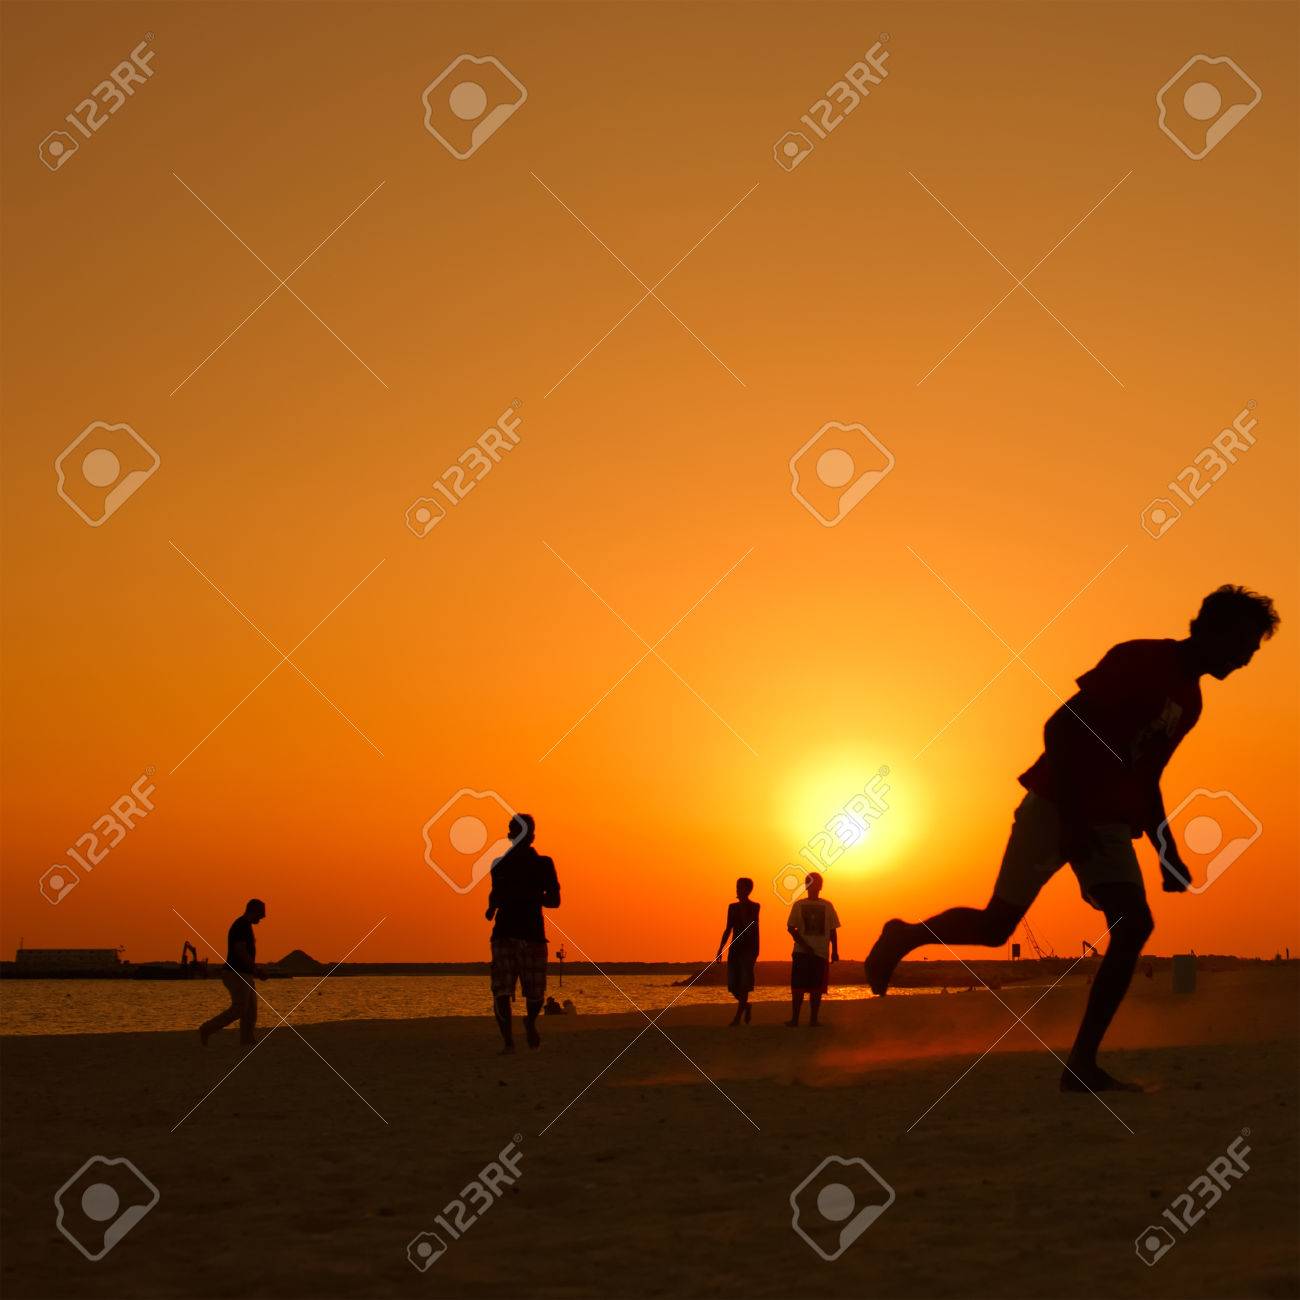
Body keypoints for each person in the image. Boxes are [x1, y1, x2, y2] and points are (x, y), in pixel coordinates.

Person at [866, 585, 1280, 1093]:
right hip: (1056, 803)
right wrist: (1076, 821)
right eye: (1243, 642)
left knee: (1132, 926)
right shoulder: (1141, 658)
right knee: (998, 926)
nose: (1247, 657)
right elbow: (1061, 727)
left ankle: (1081, 1065)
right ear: (1210, 629)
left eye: (1254, 647)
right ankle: (904, 935)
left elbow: (1146, 778)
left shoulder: (1190, 701)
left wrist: (1167, 850)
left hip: (1107, 823)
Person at [485, 813, 560, 1053]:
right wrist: (491, 907)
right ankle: (508, 1042)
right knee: (501, 990)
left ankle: (529, 1023)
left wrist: (528, 896)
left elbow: (555, 900)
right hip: (505, 934)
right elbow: (494, 895)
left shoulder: (544, 864)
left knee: (535, 992)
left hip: (532, 936)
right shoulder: (499, 864)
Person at [199, 899, 268, 1047]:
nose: (263, 917)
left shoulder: (246, 926)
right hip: (236, 973)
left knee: (250, 1010)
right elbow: (240, 951)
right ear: (254, 910)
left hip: (245, 974)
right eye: (262, 913)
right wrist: (256, 969)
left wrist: (254, 971)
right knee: (239, 1009)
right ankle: (206, 1029)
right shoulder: (241, 925)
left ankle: (247, 1040)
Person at [786, 872, 840, 1027]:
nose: (813, 886)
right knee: (798, 987)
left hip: (820, 953)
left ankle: (813, 1019)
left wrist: (835, 951)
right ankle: (795, 1019)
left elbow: (832, 930)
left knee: (817, 988)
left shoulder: (828, 906)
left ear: (821, 886)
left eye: (816, 883)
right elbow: (791, 928)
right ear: (806, 885)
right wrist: (804, 945)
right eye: (810, 883)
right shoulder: (798, 905)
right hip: (801, 952)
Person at [716, 878, 761, 1025]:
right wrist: (721, 947)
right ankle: (746, 1006)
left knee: (744, 983)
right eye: (737, 887)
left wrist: (743, 908)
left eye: (740, 887)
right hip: (735, 947)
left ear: (747, 889)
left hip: (750, 948)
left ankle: (737, 1017)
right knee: (733, 985)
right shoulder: (732, 907)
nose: (737, 889)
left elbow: (751, 924)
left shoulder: (755, 906)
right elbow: (728, 928)